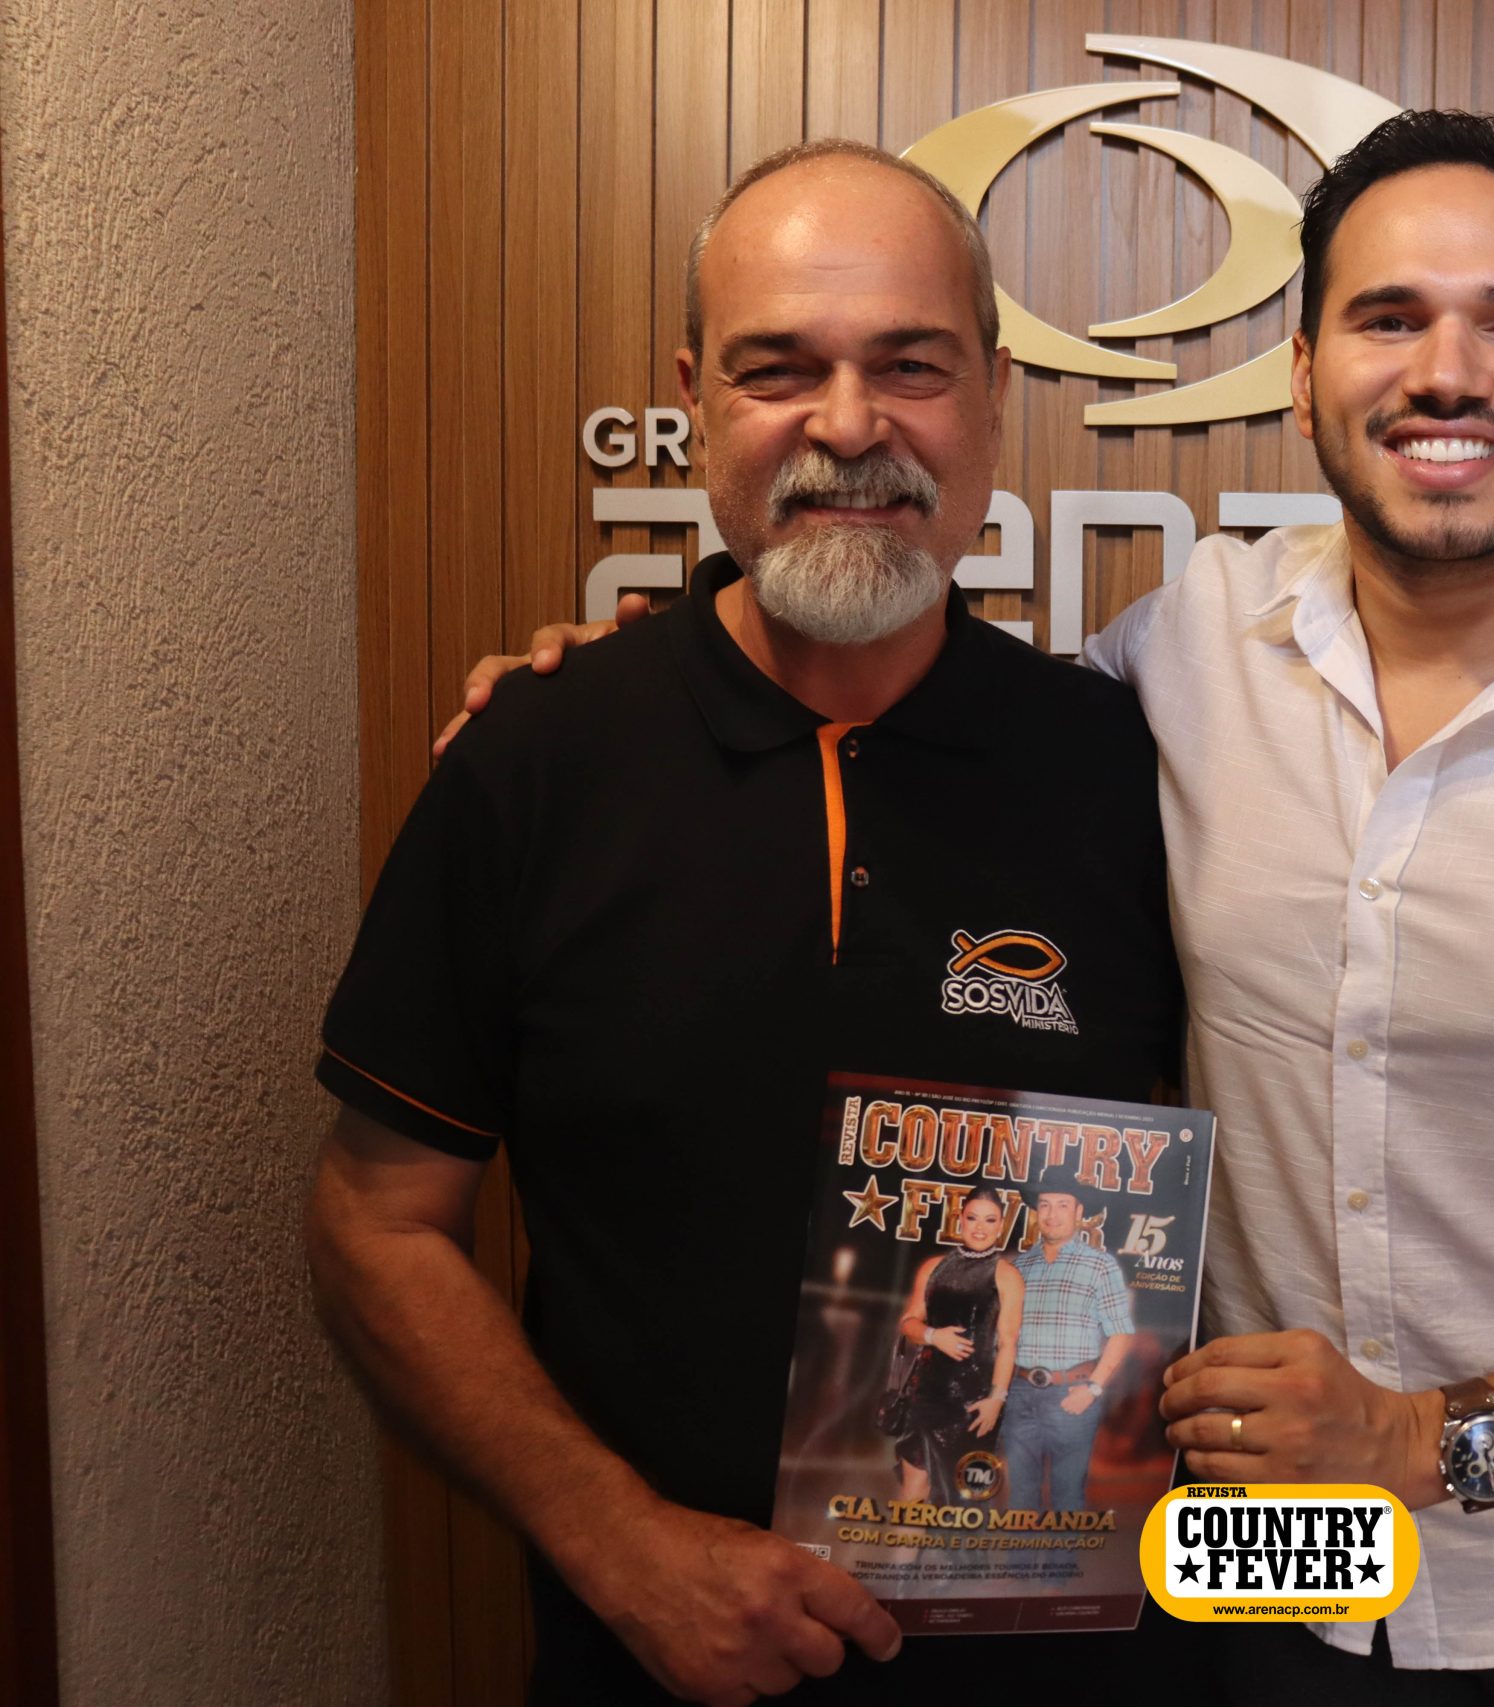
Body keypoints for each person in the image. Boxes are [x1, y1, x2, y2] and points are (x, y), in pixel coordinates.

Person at [460, 111, 1494, 1707]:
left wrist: (1428, 1437)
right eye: (1389, 318)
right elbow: (910, 710)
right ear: (1304, 373)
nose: (1446, 372)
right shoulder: (1186, 647)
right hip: (1261, 1584)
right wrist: (622, 690)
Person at [306, 137, 1183, 1706]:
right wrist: (620, 1540)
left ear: (992, 394)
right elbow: (377, 1223)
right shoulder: (538, 760)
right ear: (694, 398)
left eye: (910, 363)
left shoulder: (1135, 770)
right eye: (780, 368)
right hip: (659, 1668)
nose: (849, 425)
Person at [1000, 1166, 1137, 1512]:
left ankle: (1061, 1553)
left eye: (1063, 1205)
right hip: (1020, 1393)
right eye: (1045, 1205)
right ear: (1036, 1211)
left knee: (1067, 1498)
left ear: (1078, 1212)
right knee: (1020, 1499)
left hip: (1072, 1393)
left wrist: (1093, 1388)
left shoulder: (1100, 1266)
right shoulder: (1018, 1268)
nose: (1052, 1214)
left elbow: (1121, 1333)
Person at [894, 1185, 1022, 1506]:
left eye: (990, 1220)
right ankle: (900, 1544)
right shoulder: (933, 1267)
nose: (980, 1227)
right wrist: (933, 1336)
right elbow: (908, 1322)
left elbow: (1008, 1343)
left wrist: (996, 1399)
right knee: (912, 1496)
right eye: (973, 1218)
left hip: (975, 1403)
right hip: (928, 1395)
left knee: (963, 1501)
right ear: (960, 1219)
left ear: (1001, 1226)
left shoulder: (1007, 1276)